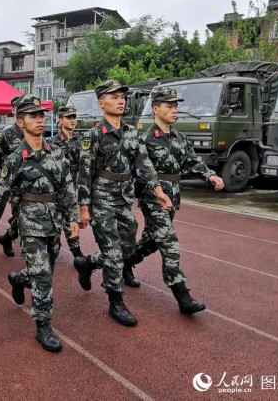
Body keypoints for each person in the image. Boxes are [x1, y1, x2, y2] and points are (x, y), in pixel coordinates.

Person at [0, 95, 80, 352]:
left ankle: (19, 280)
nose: (39, 120)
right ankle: (43, 325)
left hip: (54, 222)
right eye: (32, 116)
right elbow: (1, 194)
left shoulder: (55, 153)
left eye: (41, 116)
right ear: (20, 122)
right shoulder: (15, 159)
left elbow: (67, 188)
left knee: (45, 269)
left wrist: (73, 218)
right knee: (44, 277)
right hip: (29, 223)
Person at [74, 80, 171, 327]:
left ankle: (87, 263)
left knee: (127, 249)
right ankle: (116, 302)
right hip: (102, 202)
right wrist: (83, 208)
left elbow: (144, 164)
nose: (120, 100)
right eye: (114, 96)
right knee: (114, 252)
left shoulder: (131, 133)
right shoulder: (93, 136)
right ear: (101, 103)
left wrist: (157, 189)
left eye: (122, 96)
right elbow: (84, 174)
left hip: (124, 200)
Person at [122, 87, 224, 314]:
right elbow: (139, 169)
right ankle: (183, 296)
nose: (174, 110)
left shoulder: (179, 138)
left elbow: (192, 162)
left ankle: (125, 263)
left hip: (173, 198)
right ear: (156, 109)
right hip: (153, 199)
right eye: (169, 106)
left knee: (151, 242)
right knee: (169, 243)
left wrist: (210, 175)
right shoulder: (146, 139)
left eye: (176, 106)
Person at [48, 105, 84, 259]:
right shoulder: (52, 142)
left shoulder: (81, 140)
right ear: (60, 120)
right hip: (56, 189)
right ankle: (53, 246)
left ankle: (76, 250)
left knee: (71, 217)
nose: (72, 120)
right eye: (69, 117)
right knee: (54, 220)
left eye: (74, 117)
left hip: (72, 187)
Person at [0, 95, 25, 257]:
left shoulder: (36, 133)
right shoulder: (5, 135)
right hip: (14, 185)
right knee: (23, 216)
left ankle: (8, 236)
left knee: (26, 217)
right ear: (13, 110)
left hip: (35, 183)